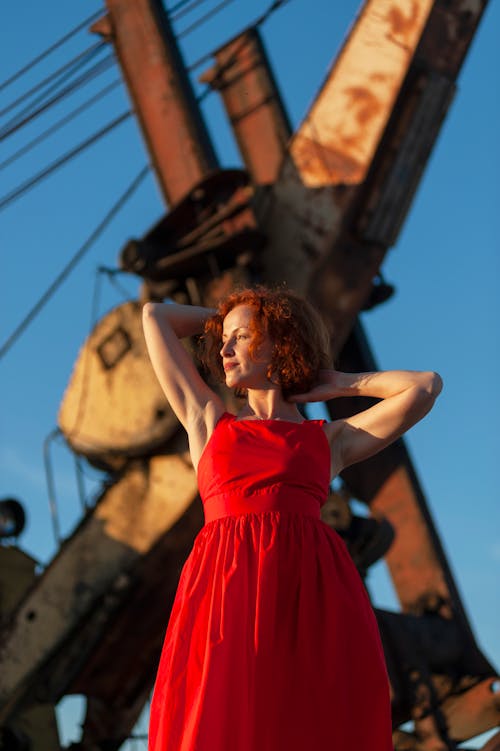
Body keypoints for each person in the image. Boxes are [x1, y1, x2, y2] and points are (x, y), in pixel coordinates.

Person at [142, 285, 442, 751]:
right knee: (220, 721)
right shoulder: (207, 421)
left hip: (310, 598)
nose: (224, 348)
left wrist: (342, 383)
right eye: (224, 337)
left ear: (278, 343)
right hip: (225, 594)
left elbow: (425, 386)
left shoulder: (329, 441)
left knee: (308, 722)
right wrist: (226, 318)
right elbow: (155, 316)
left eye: (242, 337)